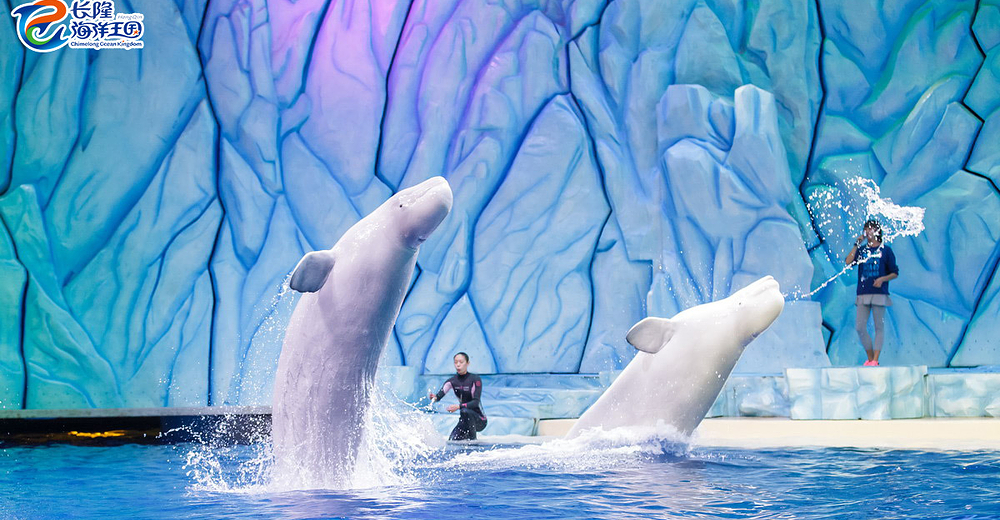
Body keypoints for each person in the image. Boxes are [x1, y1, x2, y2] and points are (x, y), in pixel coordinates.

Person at [845, 219, 899, 367]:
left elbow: (894, 272)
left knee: (878, 327)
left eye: (871, 229)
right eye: (866, 229)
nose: (868, 232)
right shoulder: (862, 250)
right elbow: (848, 261)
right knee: (860, 327)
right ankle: (870, 358)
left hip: (879, 294)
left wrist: (882, 279)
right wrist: (857, 244)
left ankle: (875, 359)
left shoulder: (886, 250)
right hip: (863, 293)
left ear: (877, 231)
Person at [429, 352, 487, 440]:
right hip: (464, 419)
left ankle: (473, 441)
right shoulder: (452, 381)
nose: (458, 365)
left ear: (467, 363)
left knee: (465, 411)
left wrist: (458, 406)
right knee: (452, 440)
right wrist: (435, 398)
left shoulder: (475, 379)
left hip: (480, 420)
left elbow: (475, 402)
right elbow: (439, 396)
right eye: (456, 362)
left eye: (461, 362)